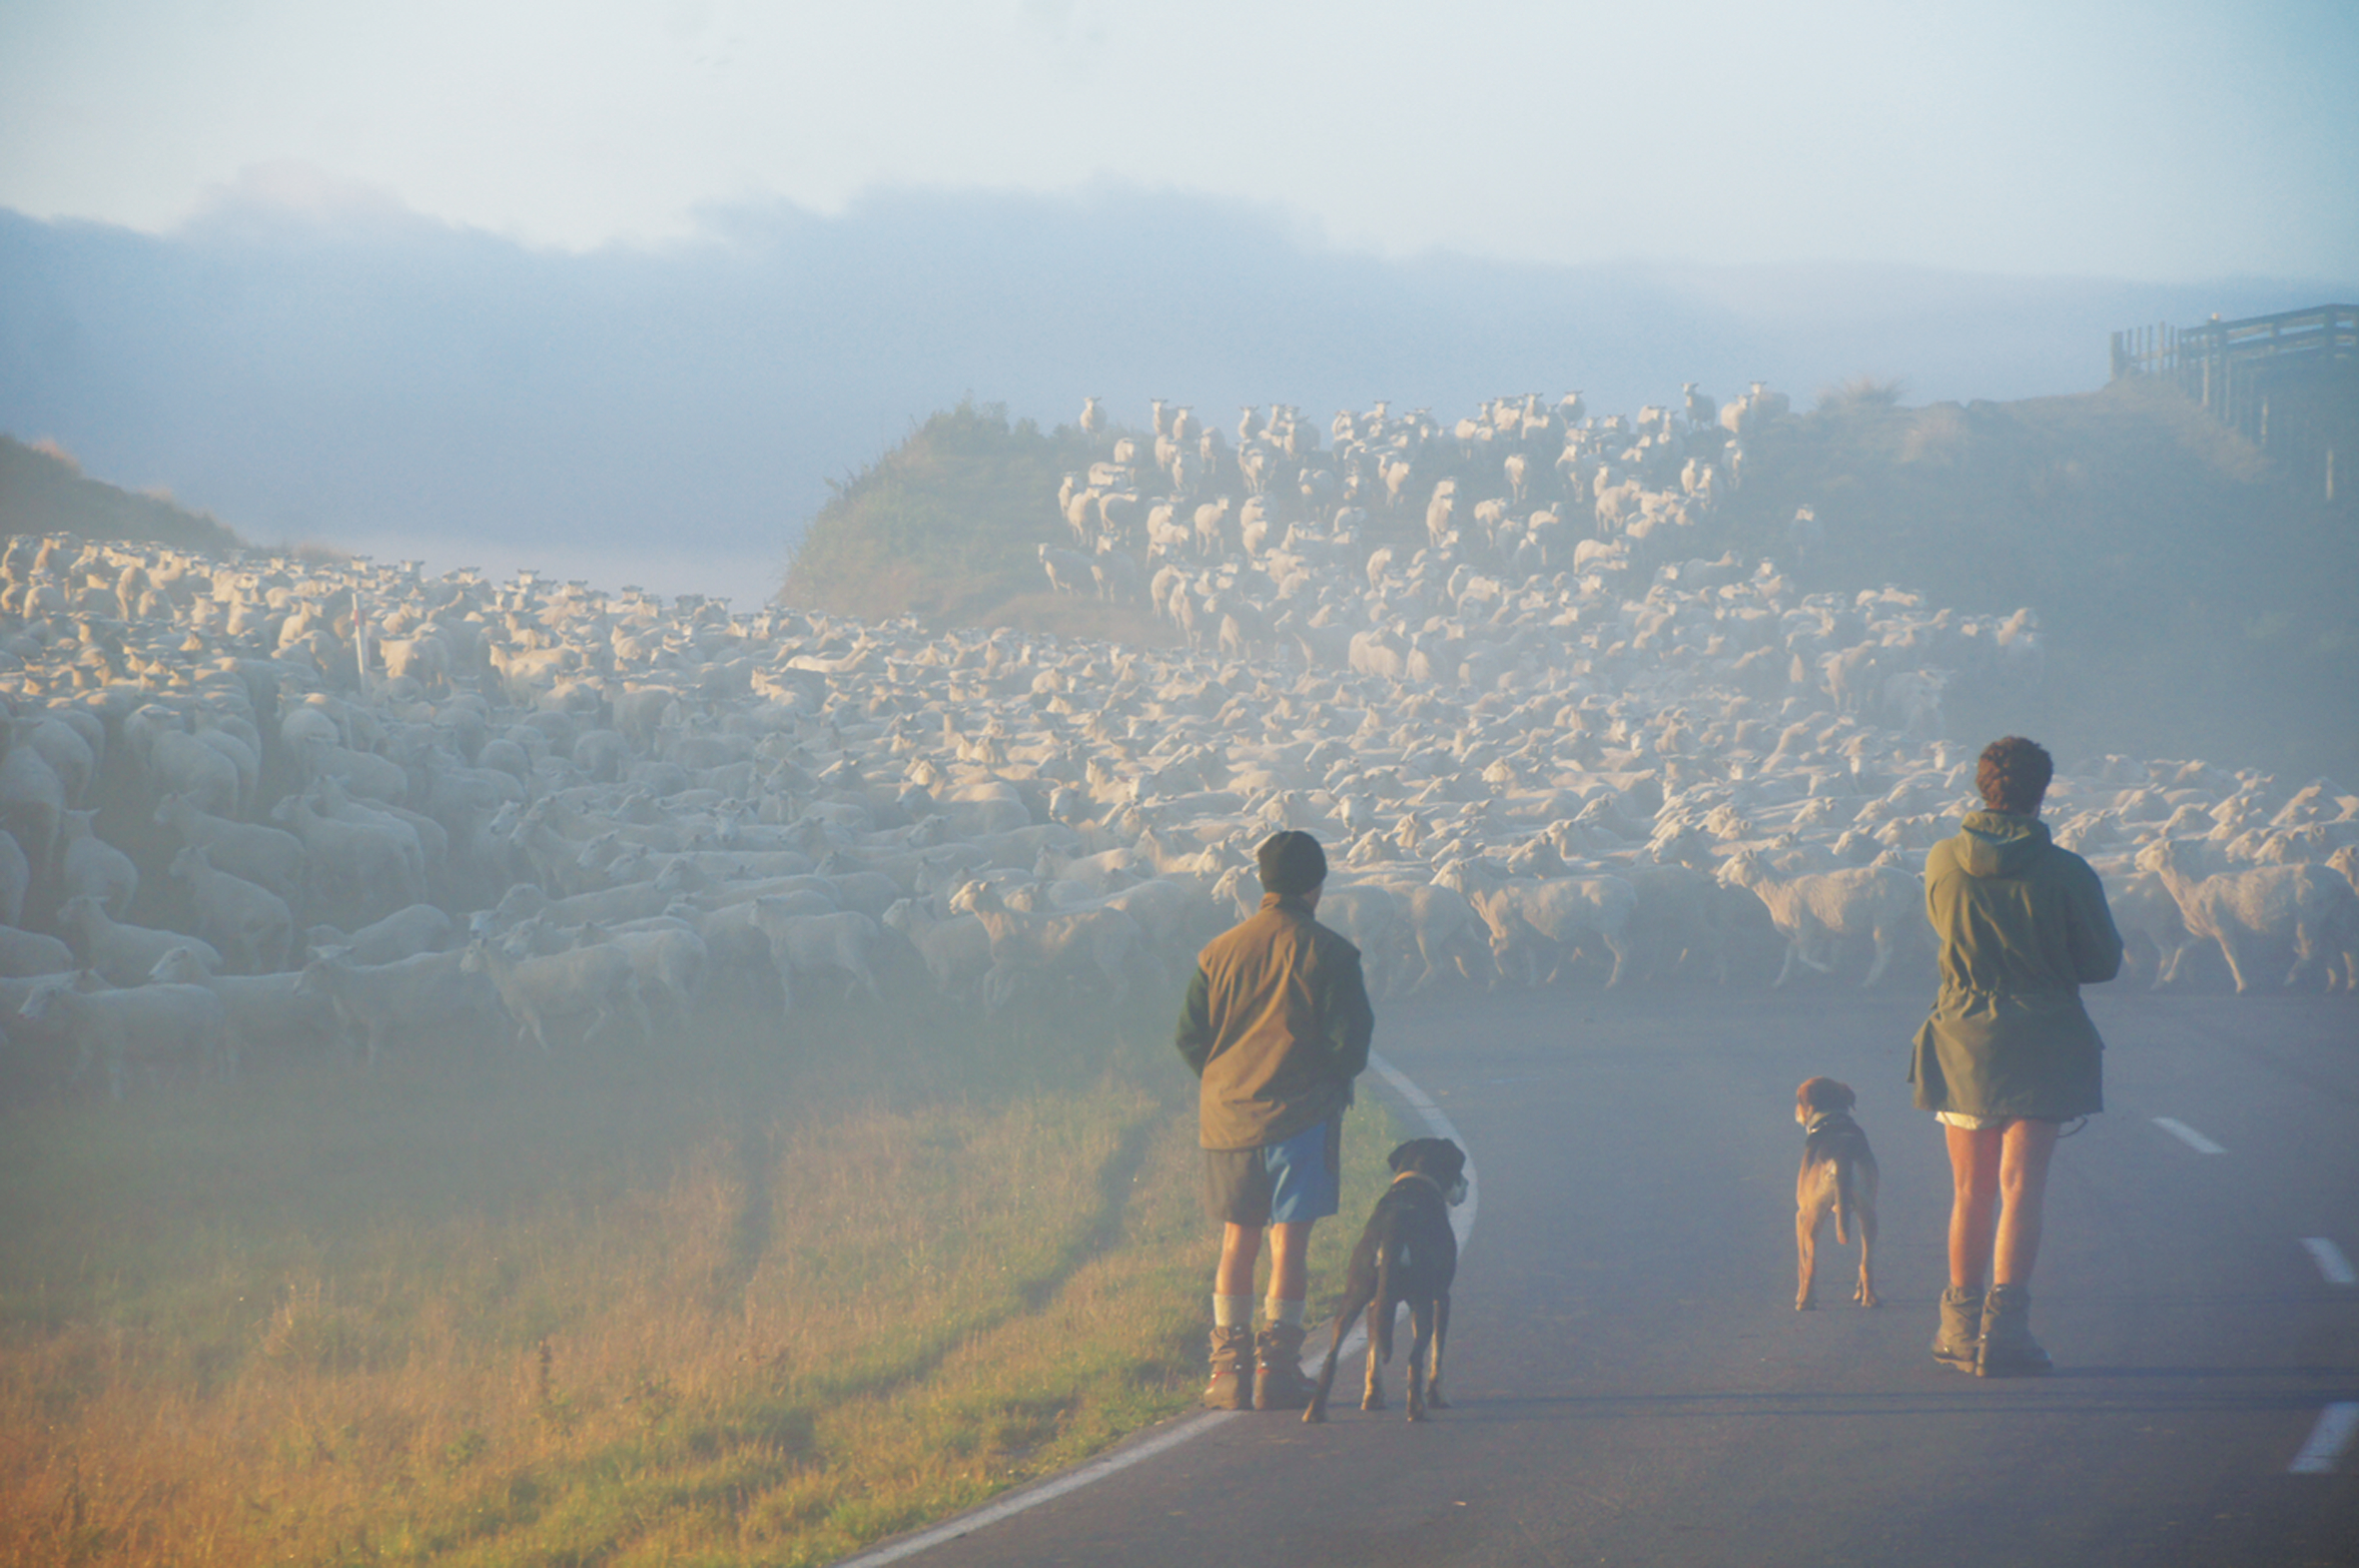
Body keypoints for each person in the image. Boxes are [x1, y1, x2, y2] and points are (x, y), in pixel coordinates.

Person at [1911, 737, 2122, 1376]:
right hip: (2044, 1038)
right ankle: (2007, 1334)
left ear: (1982, 787)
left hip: (1964, 1037)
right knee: (2022, 1187)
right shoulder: (2068, 871)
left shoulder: (1942, 859)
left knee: (1969, 1189)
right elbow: (2102, 962)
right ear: (2041, 791)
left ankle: (1956, 1326)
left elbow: (1940, 928)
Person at [1175, 830, 1375, 1410]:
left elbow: (1190, 1035)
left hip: (1228, 1117)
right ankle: (1277, 1371)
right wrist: (1327, 1082)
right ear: (1316, 887)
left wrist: (1224, 1082)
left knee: (1237, 1239)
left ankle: (1226, 1373)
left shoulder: (1218, 951)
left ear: (1262, 883)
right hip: (1301, 1117)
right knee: (1289, 1244)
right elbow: (1351, 1043)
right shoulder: (1330, 952)